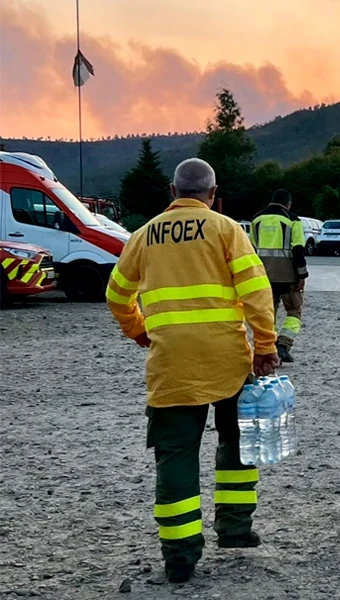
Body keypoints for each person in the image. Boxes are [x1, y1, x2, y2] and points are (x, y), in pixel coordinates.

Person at [106, 158, 281, 584]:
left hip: (171, 364)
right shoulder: (226, 230)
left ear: (172, 192)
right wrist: (266, 345)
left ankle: (180, 555)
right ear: (213, 193)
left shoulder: (144, 235)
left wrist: (139, 331)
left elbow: (116, 294)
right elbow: (257, 292)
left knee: (176, 455)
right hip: (227, 359)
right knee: (238, 440)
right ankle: (236, 528)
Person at [251, 189, 309, 363]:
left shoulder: (256, 220)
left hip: (263, 274)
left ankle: (268, 347)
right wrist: (302, 275)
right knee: (294, 310)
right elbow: (298, 250)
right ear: (288, 204)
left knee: (269, 312)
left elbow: (252, 249)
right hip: (288, 275)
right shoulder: (293, 220)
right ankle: (283, 345)